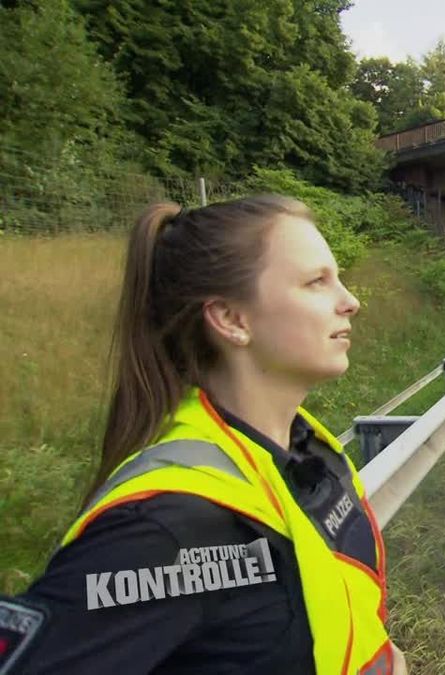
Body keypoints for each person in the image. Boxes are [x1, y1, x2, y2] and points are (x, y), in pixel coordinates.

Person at [0, 196, 407, 674]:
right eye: (316, 282)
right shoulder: (165, 524)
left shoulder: (308, 453)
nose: (350, 301)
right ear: (232, 320)